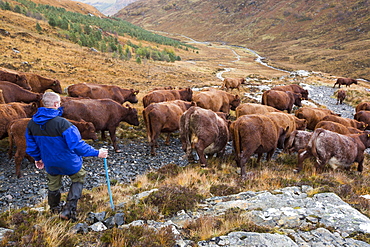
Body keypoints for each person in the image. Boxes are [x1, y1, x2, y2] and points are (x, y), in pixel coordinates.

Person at [26, 92, 108, 221]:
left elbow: (31, 146)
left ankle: (54, 209)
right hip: (68, 161)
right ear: (55, 104)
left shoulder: (32, 124)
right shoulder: (63, 124)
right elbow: (77, 145)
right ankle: (68, 210)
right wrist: (97, 153)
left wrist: (38, 158)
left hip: (50, 162)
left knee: (53, 185)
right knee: (79, 177)